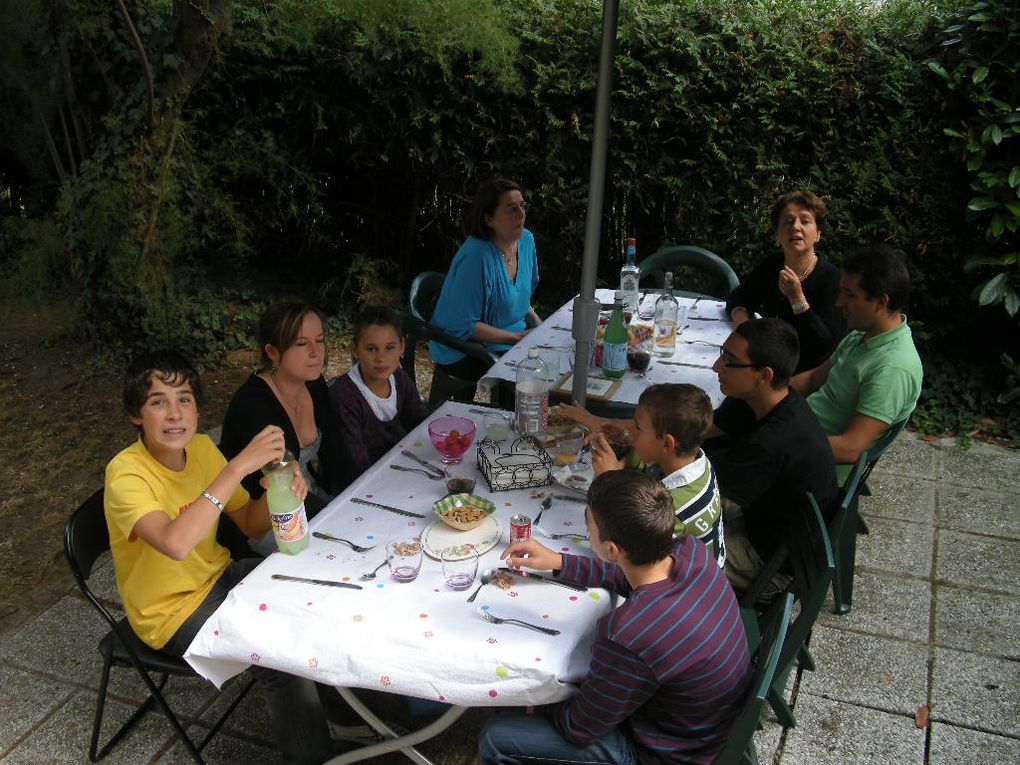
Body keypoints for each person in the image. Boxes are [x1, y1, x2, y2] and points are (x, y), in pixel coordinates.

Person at [104, 350, 335, 764]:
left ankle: (337, 709)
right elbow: (176, 544)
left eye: (185, 399)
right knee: (275, 656)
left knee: (309, 586)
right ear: (136, 415)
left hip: (219, 577)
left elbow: (249, 522)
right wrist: (239, 465)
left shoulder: (202, 449)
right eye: (159, 402)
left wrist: (281, 488)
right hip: (170, 613)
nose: (175, 414)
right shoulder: (126, 475)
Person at [477, 470, 750, 765]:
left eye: (588, 522)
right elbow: (626, 576)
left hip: (670, 754)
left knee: (496, 737)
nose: (585, 524)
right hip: (713, 722)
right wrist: (560, 561)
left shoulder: (628, 634)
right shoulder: (691, 551)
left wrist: (532, 706)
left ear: (612, 549)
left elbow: (579, 728)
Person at [705, 318, 837, 592]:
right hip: (763, 525)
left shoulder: (772, 441)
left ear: (764, 375)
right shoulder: (777, 401)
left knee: (651, 553)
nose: (717, 367)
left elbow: (701, 496)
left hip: (768, 565)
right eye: (722, 354)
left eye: (729, 360)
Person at [219, 301, 356, 555]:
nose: (317, 352)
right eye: (302, 344)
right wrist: (342, 524)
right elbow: (285, 485)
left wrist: (361, 501)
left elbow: (337, 455)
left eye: (320, 340)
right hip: (271, 519)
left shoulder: (313, 384)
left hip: (311, 500)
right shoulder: (254, 406)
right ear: (272, 351)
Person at [791, 244, 923, 483]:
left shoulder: (892, 368)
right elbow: (812, 380)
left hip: (812, 472)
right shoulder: (862, 335)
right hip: (798, 433)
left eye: (850, 295)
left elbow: (850, 448)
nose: (839, 303)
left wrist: (779, 444)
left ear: (881, 302)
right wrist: (764, 394)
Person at [588, 383, 725, 568]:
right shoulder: (691, 458)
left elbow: (629, 556)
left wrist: (610, 480)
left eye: (638, 428)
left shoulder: (675, 509)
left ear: (667, 444)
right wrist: (627, 439)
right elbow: (646, 467)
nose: (630, 431)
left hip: (684, 588)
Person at [429, 178, 542, 391]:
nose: (521, 214)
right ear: (489, 219)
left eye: (522, 206)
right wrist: (517, 338)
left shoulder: (526, 241)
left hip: (509, 339)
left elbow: (519, 298)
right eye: (511, 209)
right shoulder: (476, 257)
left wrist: (538, 325)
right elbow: (463, 325)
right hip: (463, 348)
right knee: (527, 379)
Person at [727, 190, 846, 373]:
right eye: (788, 221)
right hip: (766, 363)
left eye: (805, 221)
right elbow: (738, 299)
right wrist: (747, 327)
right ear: (777, 234)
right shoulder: (771, 265)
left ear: (818, 234)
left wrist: (797, 299)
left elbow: (825, 344)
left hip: (806, 376)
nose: (796, 227)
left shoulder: (832, 279)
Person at [329, 306, 428, 474]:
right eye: (371, 349)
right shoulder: (345, 397)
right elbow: (355, 464)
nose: (381, 358)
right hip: (361, 481)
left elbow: (419, 421)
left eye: (389, 347)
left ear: (402, 346)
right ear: (355, 349)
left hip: (397, 465)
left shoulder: (398, 377)